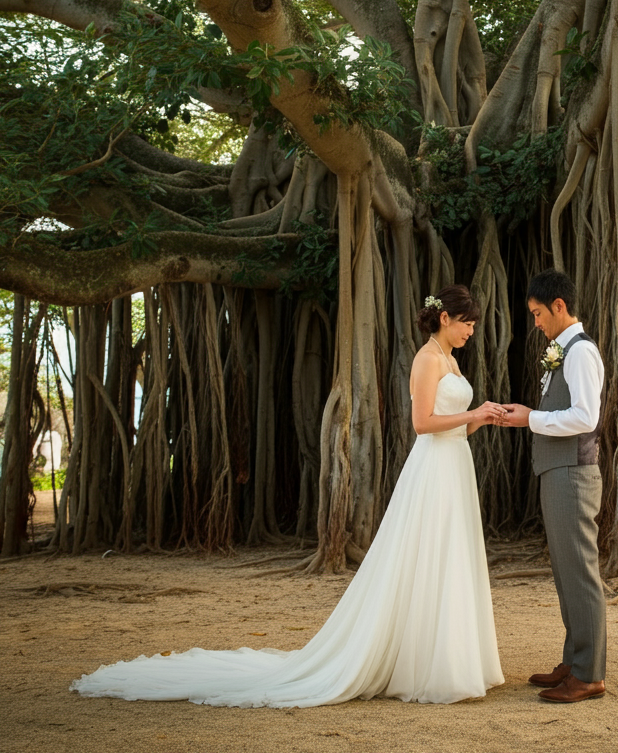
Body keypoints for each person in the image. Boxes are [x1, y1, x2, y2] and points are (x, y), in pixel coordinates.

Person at [71, 284, 506, 706]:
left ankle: (451, 657)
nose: (471, 331)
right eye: (467, 323)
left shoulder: (451, 360)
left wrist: (483, 419)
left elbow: (455, 424)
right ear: (445, 318)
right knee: (430, 556)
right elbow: (422, 423)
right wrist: (474, 411)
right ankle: (426, 665)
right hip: (432, 469)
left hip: (456, 464)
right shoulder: (427, 359)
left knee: (451, 555)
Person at [502, 269, 607, 703]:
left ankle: (588, 674)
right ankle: (574, 660)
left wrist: (530, 417)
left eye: (538, 313)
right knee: (566, 574)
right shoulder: (560, 350)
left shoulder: (580, 352)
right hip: (557, 472)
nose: (537, 322)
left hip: (572, 474)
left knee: (580, 574)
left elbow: (586, 417)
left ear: (559, 306)